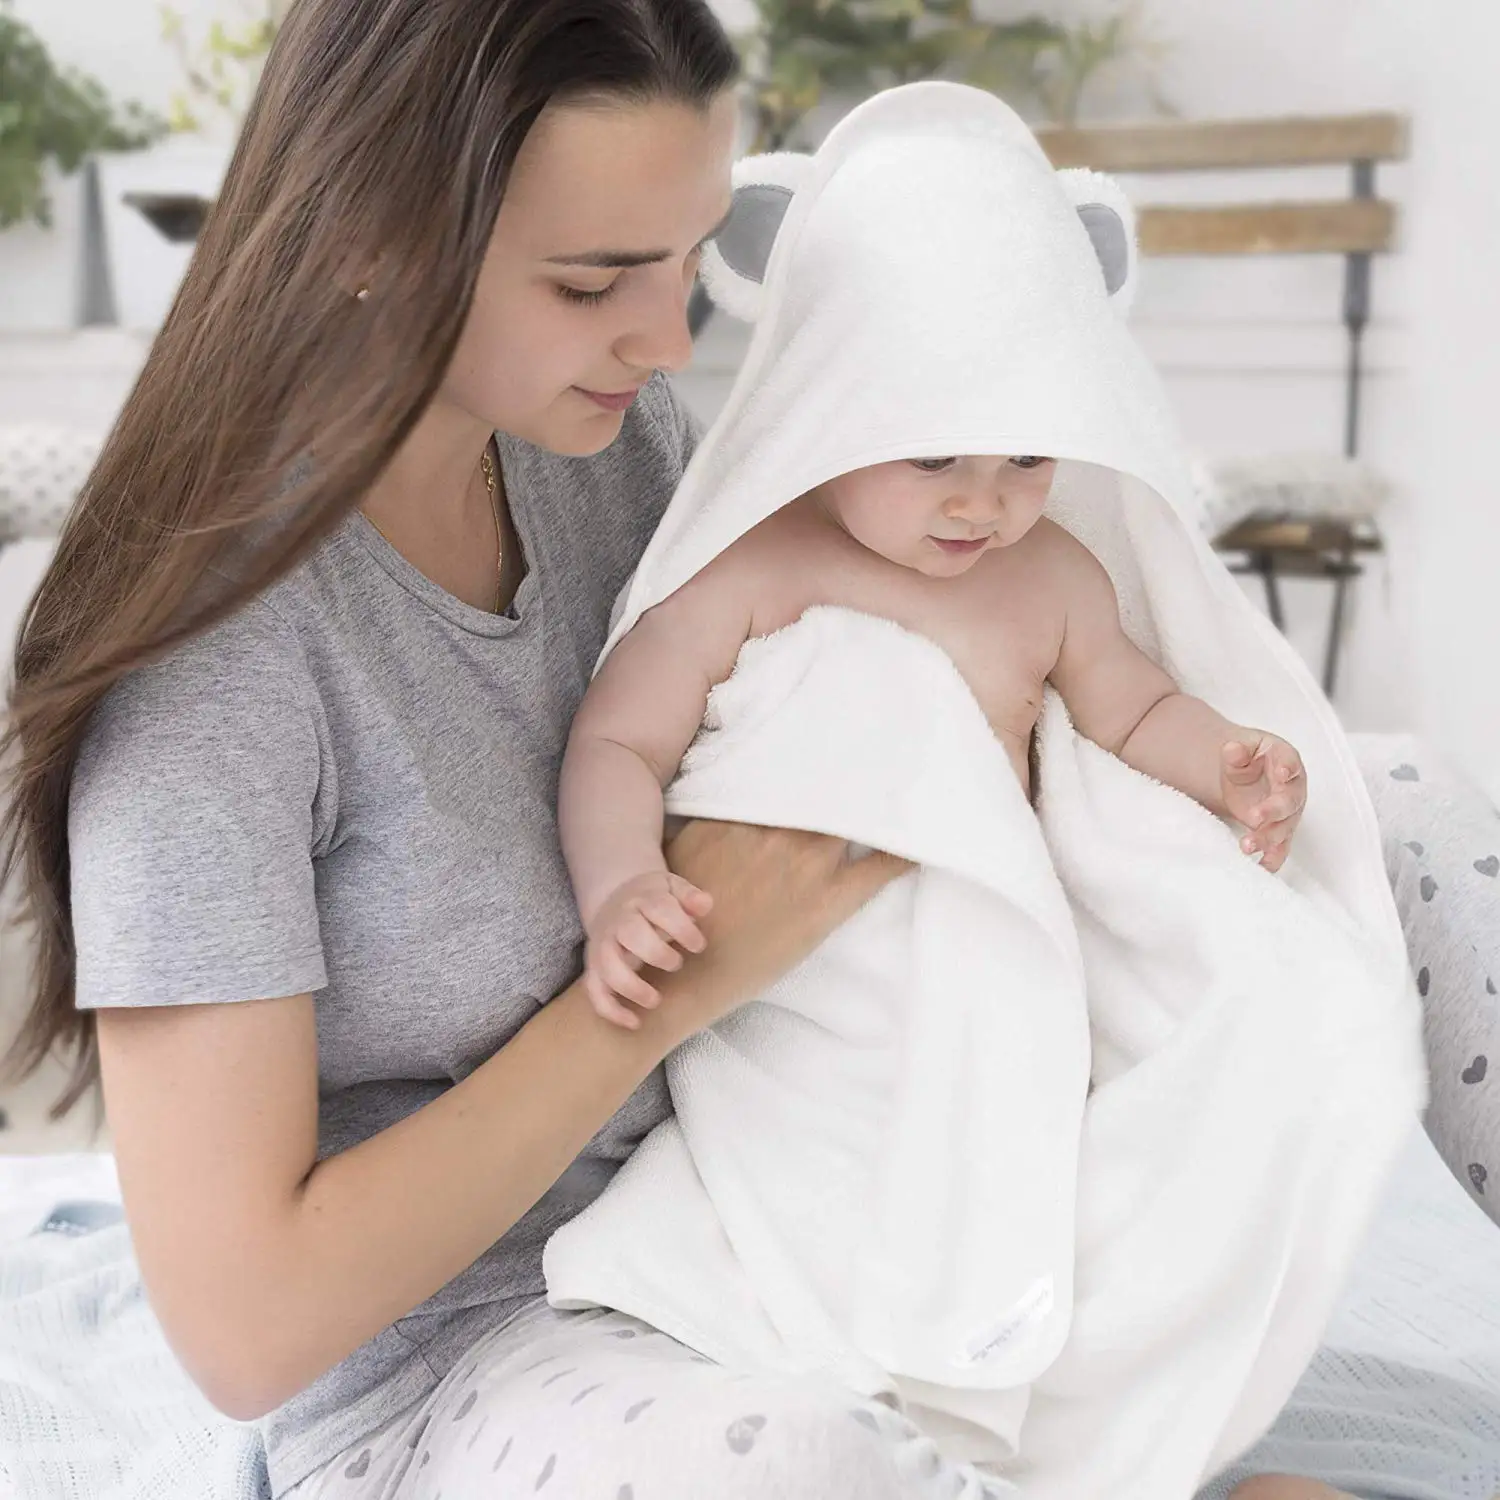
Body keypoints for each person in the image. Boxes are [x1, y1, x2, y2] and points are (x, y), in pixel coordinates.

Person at [1, 3, 974, 1497]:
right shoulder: (217, 661)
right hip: (465, 1359)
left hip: (767, 1222)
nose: (667, 341)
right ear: (373, 237)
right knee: (800, 1464)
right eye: (591, 283)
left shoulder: (603, 441)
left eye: (690, 261)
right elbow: (246, 1330)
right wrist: (665, 992)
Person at [562, 453, 1309, 1024]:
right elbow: (621, 744)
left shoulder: (1050, 576)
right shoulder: (741, 566)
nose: (981, 504)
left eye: (1025, 459)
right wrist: (622, 884)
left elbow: (1137, 714)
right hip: (788, 989)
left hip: (984, 968)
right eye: (932, 459)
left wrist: (1223, 763)